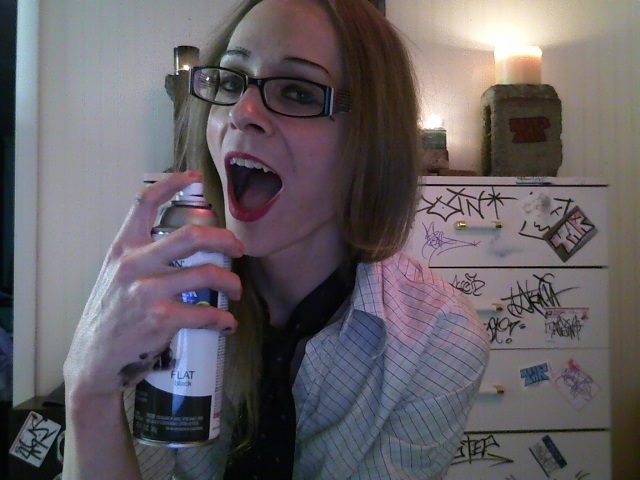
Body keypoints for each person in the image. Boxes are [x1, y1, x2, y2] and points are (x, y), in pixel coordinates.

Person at [62, 0, 490, 479]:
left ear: (371, 139)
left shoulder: (437, 340)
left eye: (298, 92)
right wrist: (87, 390)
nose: (242, 112)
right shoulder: (158, 296)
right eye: (230, 82)